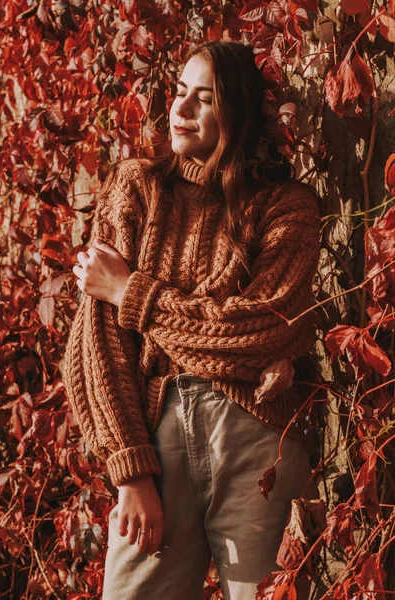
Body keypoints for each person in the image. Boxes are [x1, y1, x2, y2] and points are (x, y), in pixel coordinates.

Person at [62, 40, 321, 600]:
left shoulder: (287, 208)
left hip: (257, 439)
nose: (180, 110)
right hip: (155, 433)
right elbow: (96, 340)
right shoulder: (137, 187)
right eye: (179, 93)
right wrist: (130, 468)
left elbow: (260, 329)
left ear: (242, 113)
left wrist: (131, 291)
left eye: (203, 99)